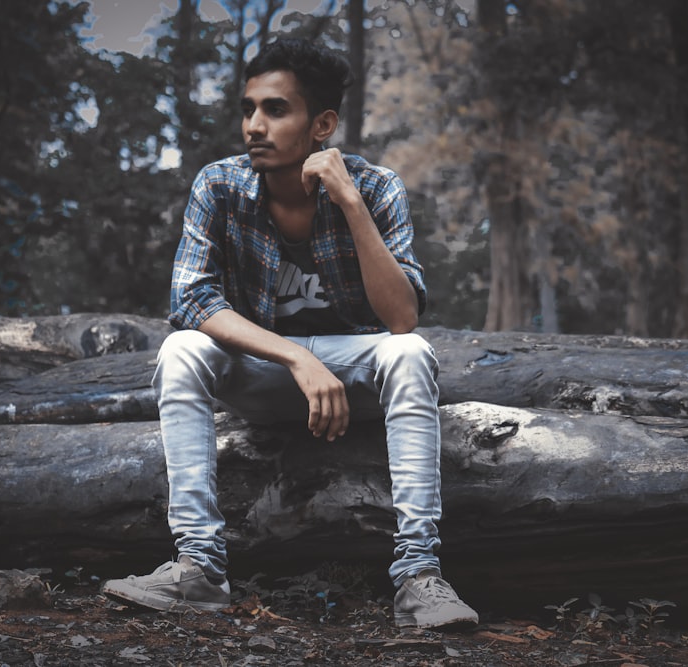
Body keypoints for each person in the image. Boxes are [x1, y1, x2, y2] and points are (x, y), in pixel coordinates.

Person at [102, 37, 478, 630]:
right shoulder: (219, 187)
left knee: (411, 351)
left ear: (321, 124)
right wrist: (297, 361)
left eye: (276, 110)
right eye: (249, 108)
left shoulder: (376, 188)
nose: (254, 125)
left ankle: (419, 575)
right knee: (181, 348)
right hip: (267, 373)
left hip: (354, 372)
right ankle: (198, 568)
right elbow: (192, 299)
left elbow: (401, 317)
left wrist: (350, 203)